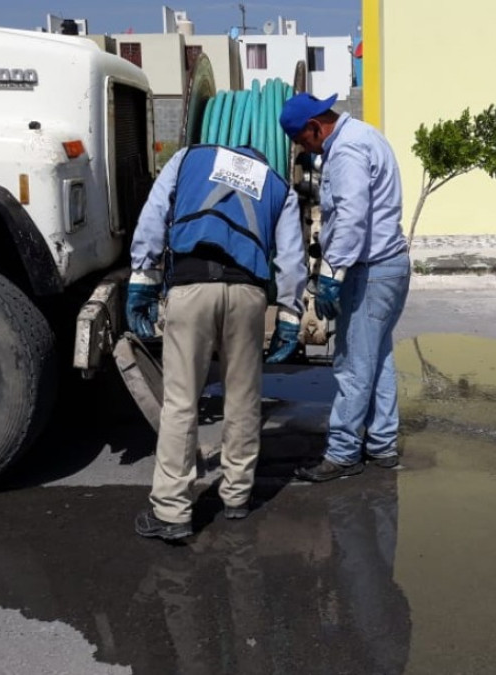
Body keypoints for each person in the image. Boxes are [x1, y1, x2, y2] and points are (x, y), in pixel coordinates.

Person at [128, 143, 307, 540]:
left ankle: (172, 511)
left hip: (191, 286)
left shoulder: (188, 158)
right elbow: (292, 258)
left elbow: (154, 215)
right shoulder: (279, 186)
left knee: (181, 401)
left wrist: (143, 277)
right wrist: (289, 315)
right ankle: (237, 496)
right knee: (243, 398)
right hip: (247, 294)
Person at [279, 93, 411, 482]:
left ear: (315, 127)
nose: (306, 150)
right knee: (377, 358)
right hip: (390, 266)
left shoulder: (347, 149)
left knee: (352, 364)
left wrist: (331, 274)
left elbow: (352, 215)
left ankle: (343, 453)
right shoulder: (366, 135)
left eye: (304, 142)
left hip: (369, 270)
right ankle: (382, 444)